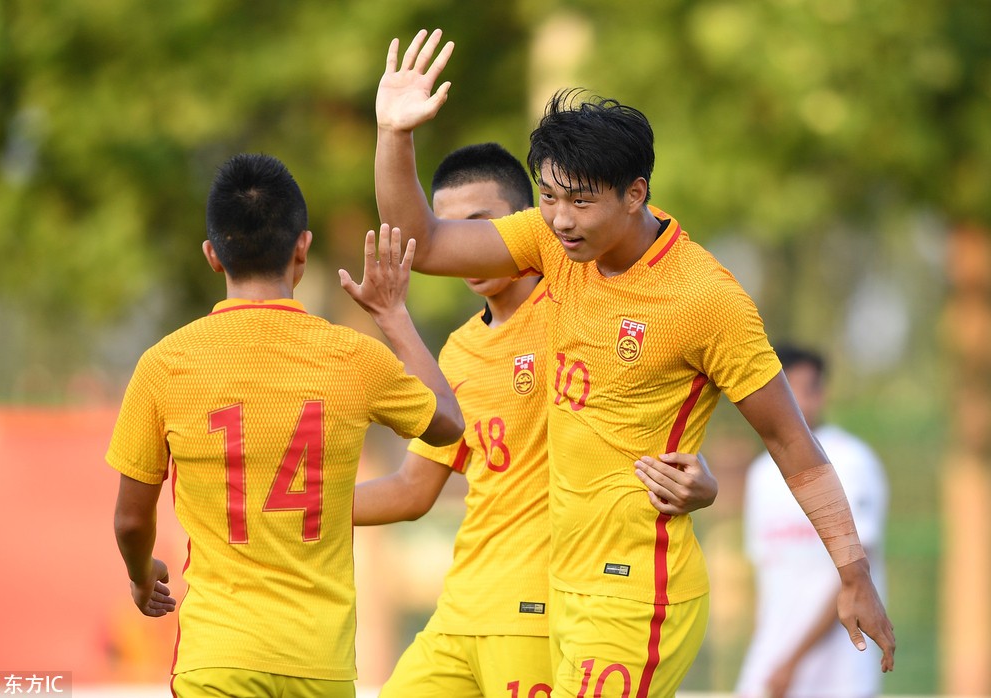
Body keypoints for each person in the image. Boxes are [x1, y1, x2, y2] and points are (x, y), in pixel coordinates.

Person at [371, 28, 895, 697]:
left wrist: (853, 575)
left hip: (636, 596)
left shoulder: (704, 299)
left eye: (580, 201)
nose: (559, 219)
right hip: (561, 590)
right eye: (549, 195)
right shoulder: (549, 239)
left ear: (636, 193)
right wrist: (395, 133)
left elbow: (792, 441)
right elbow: (426, 240)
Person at [354, 142, 719, 698]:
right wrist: (298, 507)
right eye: (452, 230)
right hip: (460, 610)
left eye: (481, 226)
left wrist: (701, 477)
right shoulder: (457, 352)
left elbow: (653, 394)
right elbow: (411, 490)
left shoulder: (576, 311)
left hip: (539, 612)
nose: (469, 247)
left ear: (527, 225)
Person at [107, 153, 463, 697]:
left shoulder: (165, 364)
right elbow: (447, 425)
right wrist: (393, 316)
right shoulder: (352, 357)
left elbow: (132, 522)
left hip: (218, 660)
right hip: (318, 665)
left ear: (212, 255)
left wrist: (141, 574)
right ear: (303, 247)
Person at [737, 345, 888, 698]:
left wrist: (794, 661)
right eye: (782, 390)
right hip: (772, 673)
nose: (789, 403)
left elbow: (857, 577)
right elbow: (767, 578)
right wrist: (773, 657)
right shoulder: (760, 474)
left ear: (821, 393)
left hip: (837, 677)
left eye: (801, 390)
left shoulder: (852, 462)